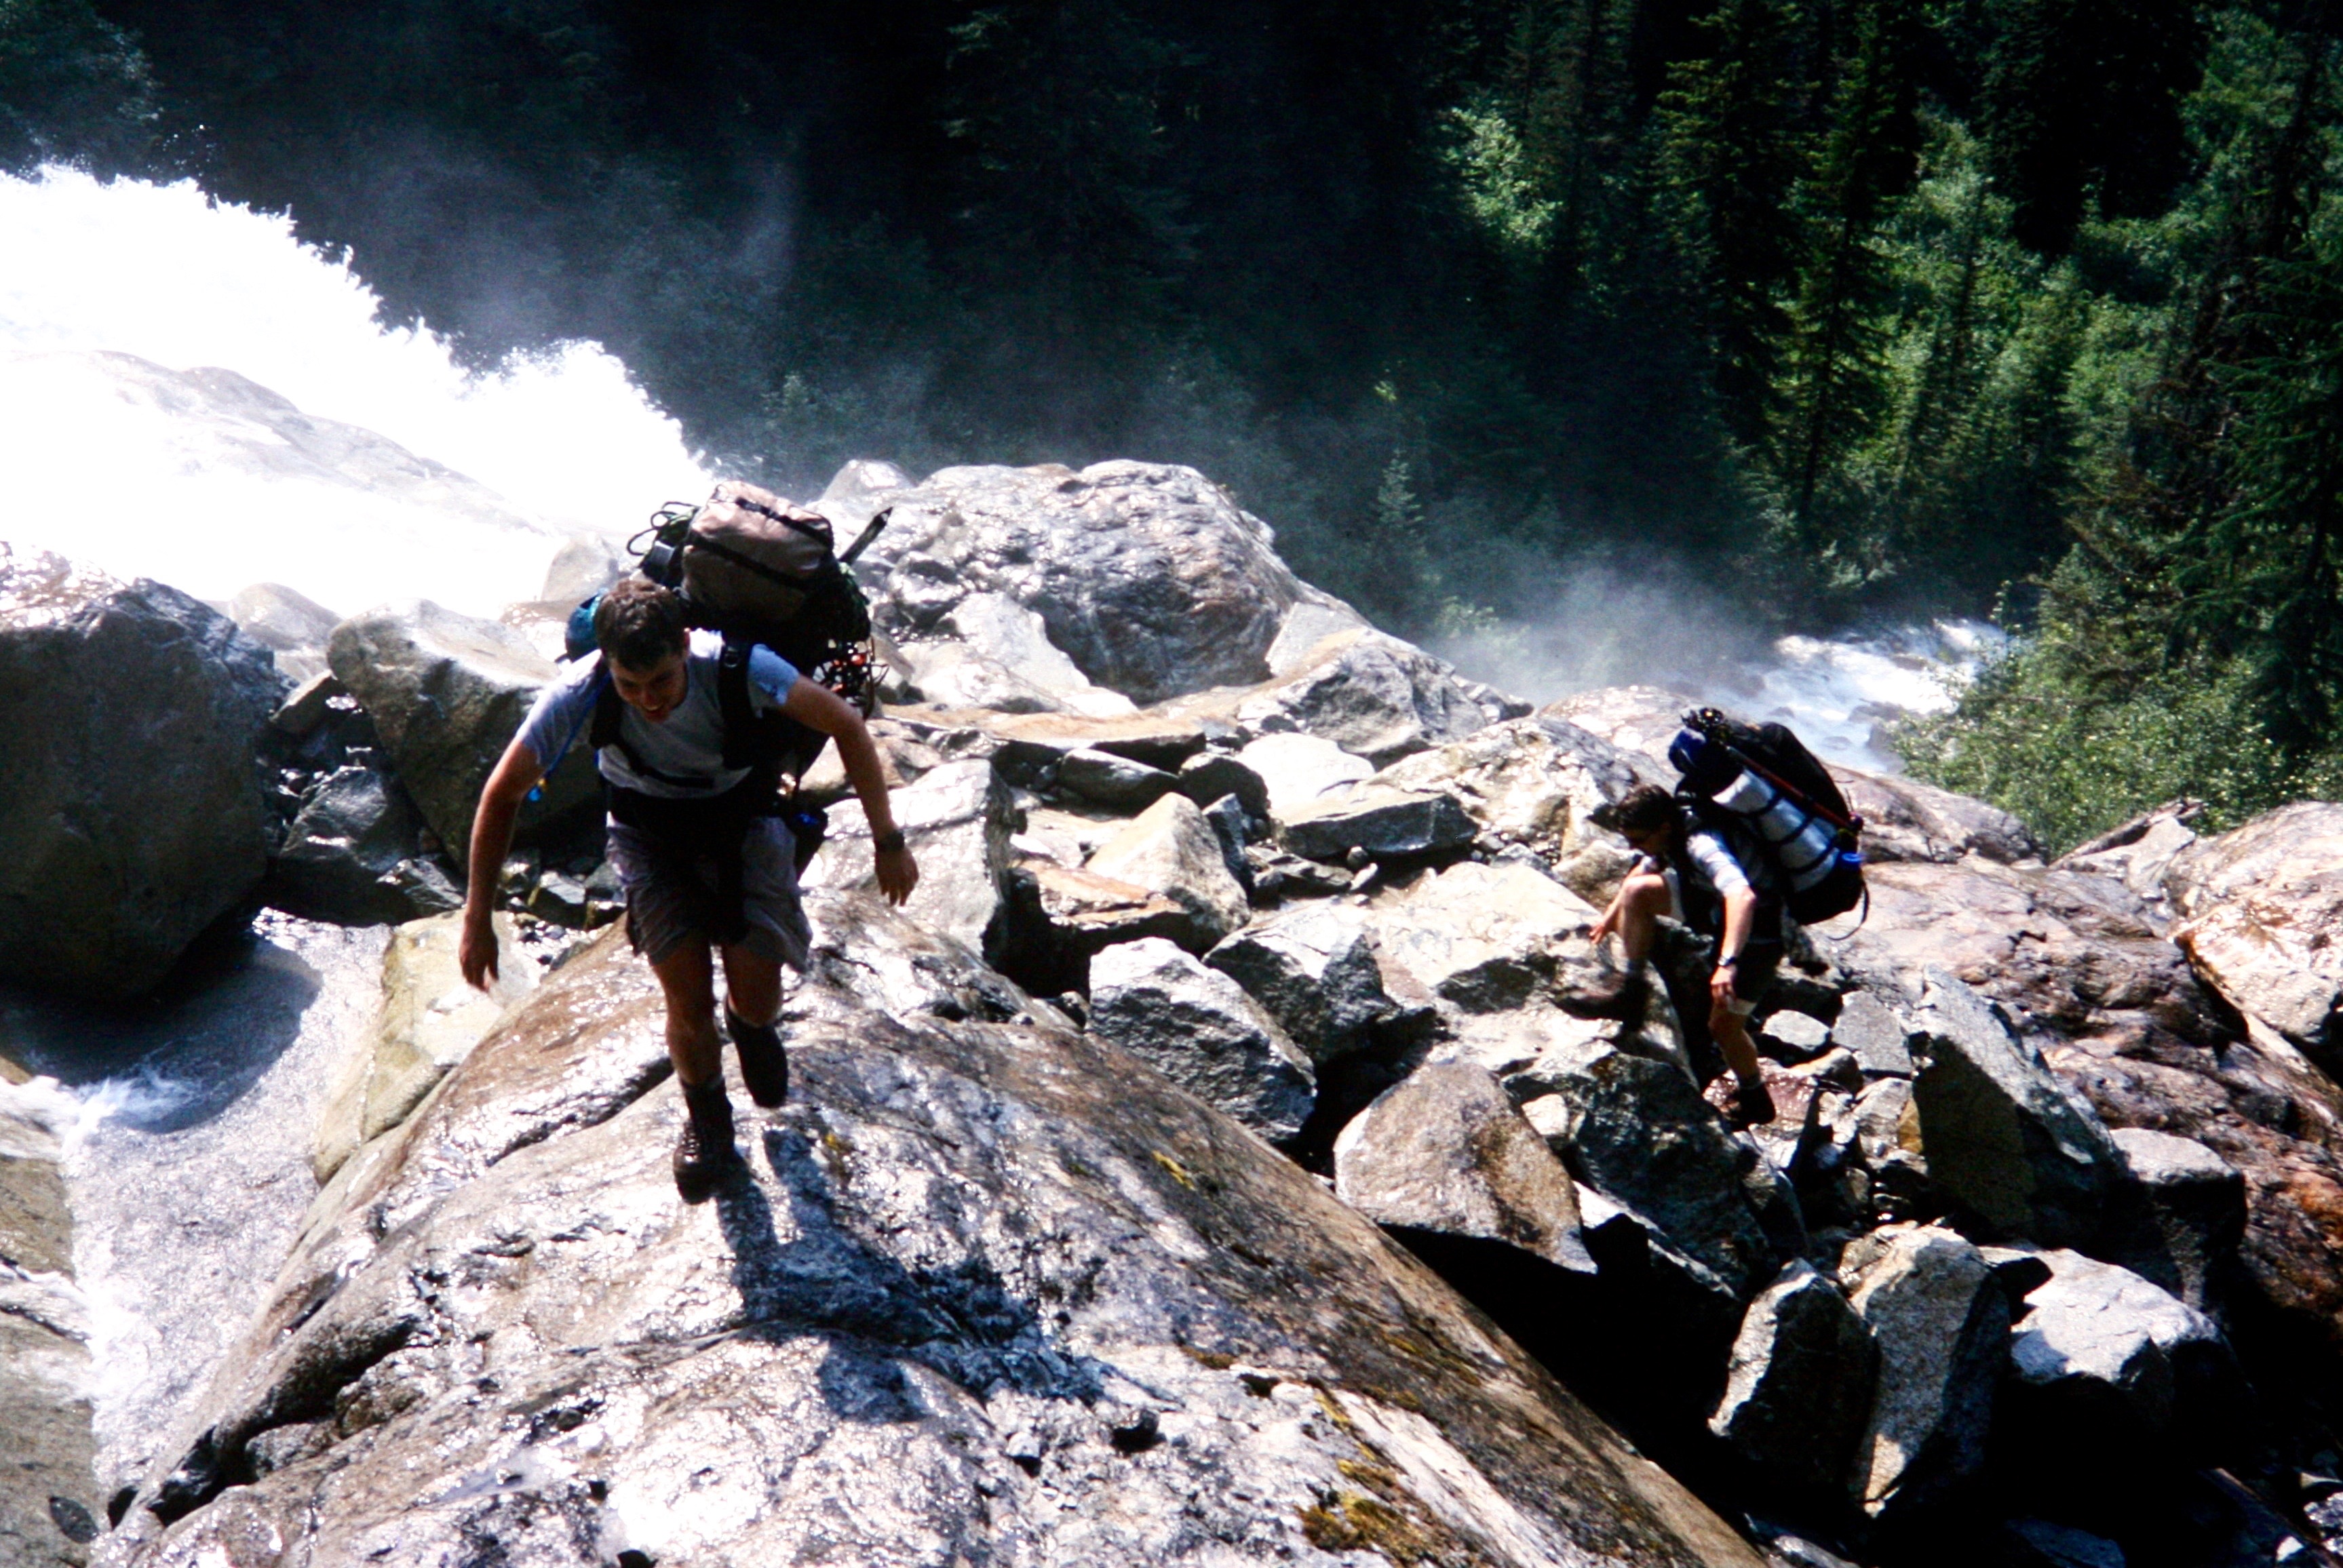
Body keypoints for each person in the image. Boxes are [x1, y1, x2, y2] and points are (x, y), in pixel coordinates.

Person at [459, 576, 918, 1198]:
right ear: (608, 666)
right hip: (648, 832)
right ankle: (708, 1120)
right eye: (630, 686)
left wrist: (887, 840)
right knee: (686, 995)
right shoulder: (583, 687)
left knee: (756, 993)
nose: (648, 702)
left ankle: (751, 1026)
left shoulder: (741, 667)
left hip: (743, 814)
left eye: (662, 682)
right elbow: (502, 792)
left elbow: (846, 724)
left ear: (683, 645)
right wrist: (476, 917)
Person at [1588, 782, 1781, 1127]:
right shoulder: (1669, 833)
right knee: (1636, 891)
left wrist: (1727, 963)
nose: (1634, 848)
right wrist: (1610, 914)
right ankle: (1631, 990)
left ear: (1663, 827)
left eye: (1639, 839)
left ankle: (1757, 1100)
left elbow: (1742, 896)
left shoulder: (1701, 844)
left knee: (1723, 1027)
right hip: (1711, 908)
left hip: (1759, 936)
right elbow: (1642, 870)